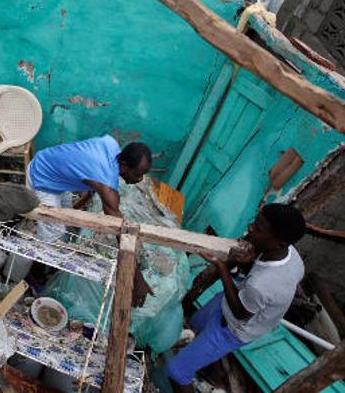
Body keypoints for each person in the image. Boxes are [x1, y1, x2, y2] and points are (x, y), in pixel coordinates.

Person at [166, 203, 306, 392]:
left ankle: (199, 367)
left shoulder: (263, 285)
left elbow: (240, 312)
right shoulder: (291, 255)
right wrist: (248, 261)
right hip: (231, 302)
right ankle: (211, 369)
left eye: (258, 229)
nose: (250, 229)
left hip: (233, 328)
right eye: (254, 223)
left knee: (176, 371)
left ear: (279, 242)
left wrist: (222, 267)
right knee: (197, 324)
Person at [26, 135, 153, 305]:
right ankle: (34, 275)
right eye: (138, 174)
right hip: (41, 177)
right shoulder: (105, 182)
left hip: (54, 170)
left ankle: (46, 263)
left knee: (65, 222)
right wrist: (138, 279)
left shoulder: (111, 144)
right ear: (123, 165)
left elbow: (84, 161)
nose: (140, 179)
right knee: (53, 232)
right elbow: (121, 231)